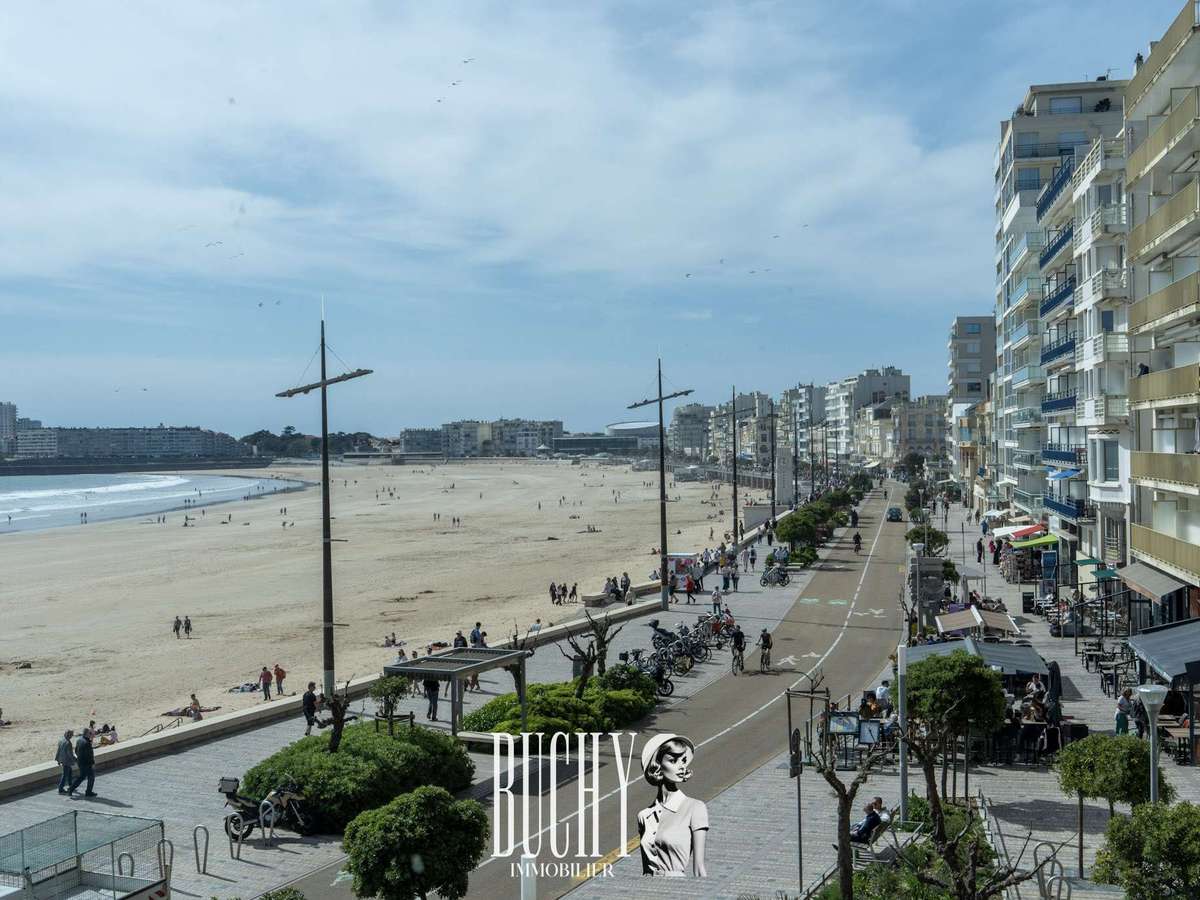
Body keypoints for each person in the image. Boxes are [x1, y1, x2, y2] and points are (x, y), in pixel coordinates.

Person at [637, 734, 709, 877]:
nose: (681, 766)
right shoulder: (644, 816)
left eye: (683, 761)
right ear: (657, 764)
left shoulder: (695, 808)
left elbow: (699, 868)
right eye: (673, 760)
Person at [68, 729, 97, 797]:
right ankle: (88, 792)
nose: (90, 734)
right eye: (89, 733)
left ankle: (71, 789)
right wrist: (92, 764)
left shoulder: (79, 740)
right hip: (87, 763)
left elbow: (76, 751)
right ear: (86, 734)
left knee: (81, 777)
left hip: (80, 762)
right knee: (91, 777)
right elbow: (90, 755)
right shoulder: (87, 742)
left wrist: (79, 758)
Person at [55, 729, 75, 794]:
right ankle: (60, 788)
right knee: (65, 775)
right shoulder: (68, 743)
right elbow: (70, 754)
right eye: (71, 735)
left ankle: (70, 785)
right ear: (69, 735)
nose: (72, 736)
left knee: (70, 772)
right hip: (67, 761)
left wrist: (57, 759)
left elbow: (58, 751)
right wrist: (75, 760)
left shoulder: (61, 740)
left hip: (62, 760)